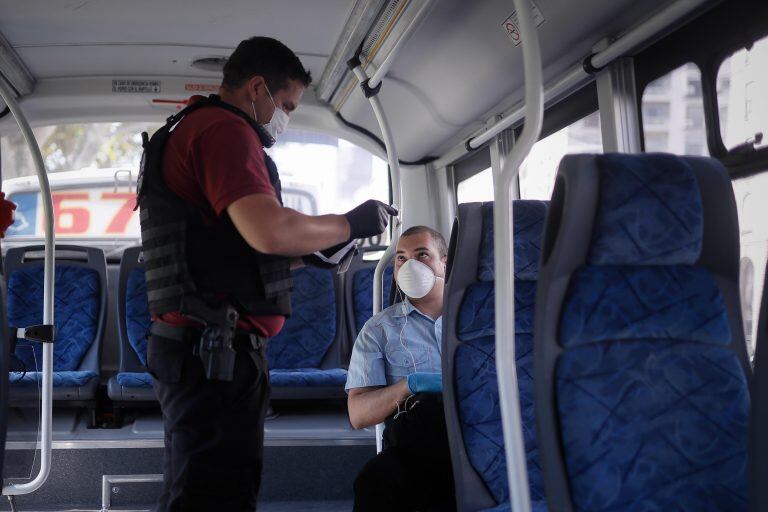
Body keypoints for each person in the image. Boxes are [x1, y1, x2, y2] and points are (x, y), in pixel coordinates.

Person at [137, 36, 396, 512]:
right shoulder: (223, 131)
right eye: (289, 105)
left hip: (206, 348)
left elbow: (233, 251)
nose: (287, 118)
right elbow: (268, 231)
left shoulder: (198, 129)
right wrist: (350, 222)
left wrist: (313, 253)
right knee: (214, 498)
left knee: (201, 490)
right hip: (211, 352)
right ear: (257, 88)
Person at [346, 226, 455, 512]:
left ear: (445, 262)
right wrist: (408, 385)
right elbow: (358, 415)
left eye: (422, 255)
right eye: (401, 258)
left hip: (479, 432)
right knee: (373, 483)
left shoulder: (479, 319)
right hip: (418, 445)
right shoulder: (378, 330)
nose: (410, 265)